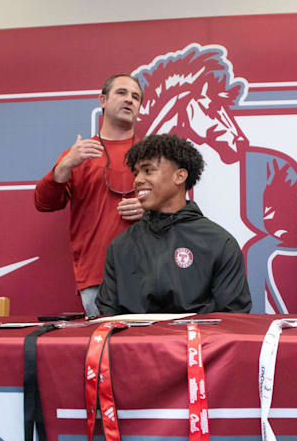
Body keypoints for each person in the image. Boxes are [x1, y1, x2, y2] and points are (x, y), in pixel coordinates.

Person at [95, 134, 252, 314]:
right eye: (136, 172)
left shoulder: (219, 243)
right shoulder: (120, 247)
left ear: (180, 176)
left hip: (198, 342)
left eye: (148, 170)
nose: (137, 180)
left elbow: (234, 319)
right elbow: (107, 317)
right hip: (132, 343)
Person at [34, 74, 146, 316]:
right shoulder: (80, 154)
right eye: (122, 93)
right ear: (102, 100)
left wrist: (150, 208)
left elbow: (178, 210)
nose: (129, 100)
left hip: (150, 274)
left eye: (135, 97)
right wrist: (64, 166)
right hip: (97, 277)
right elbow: (43, 203)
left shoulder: (153, 154)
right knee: (103, 353)